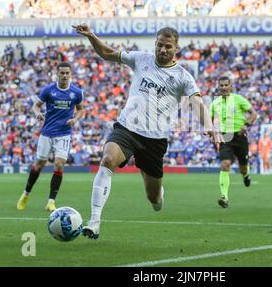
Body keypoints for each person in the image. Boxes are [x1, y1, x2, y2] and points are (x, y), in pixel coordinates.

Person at [73, 24, 222, 239]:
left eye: (168, 47)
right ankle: (94, 221)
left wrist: (208, 125)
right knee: (107, 160)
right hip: (127, 129)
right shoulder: (141, 59)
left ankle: (159, 194)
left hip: (154, 140)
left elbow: (196, 102)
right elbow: (107, 53)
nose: (162, 50)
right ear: (155, 44)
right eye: (159, 45)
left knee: (154, 200)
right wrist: (91, 36)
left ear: (176, 49)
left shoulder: (182, 76)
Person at [16, 62, 84, 212]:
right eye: (62, 73)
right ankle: (25, 194)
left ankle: (51, 202)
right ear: (57, 74)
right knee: (39, 165)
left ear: (70, 74)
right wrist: (37, 114)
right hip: (47, 133)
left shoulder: (76, 92)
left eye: (67, 73)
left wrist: (75, 119)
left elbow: (80, 110)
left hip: (64, 134)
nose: (65, 75)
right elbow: (35, 106)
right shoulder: (48, 90)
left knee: (59, 165)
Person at [211, 76, 257, 208]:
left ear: (231, 86)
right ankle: (224, 197)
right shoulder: (215, 103)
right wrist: (211, 130)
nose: (224, 87)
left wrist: (246, 125)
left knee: (243, 167)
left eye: (226, 85)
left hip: (240, 136)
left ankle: (246, 175)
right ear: (218, 87)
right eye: (222, 85)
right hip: (226, 137)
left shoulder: (238, 99)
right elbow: (209, 119)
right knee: (225, 164)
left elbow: (253, 114)